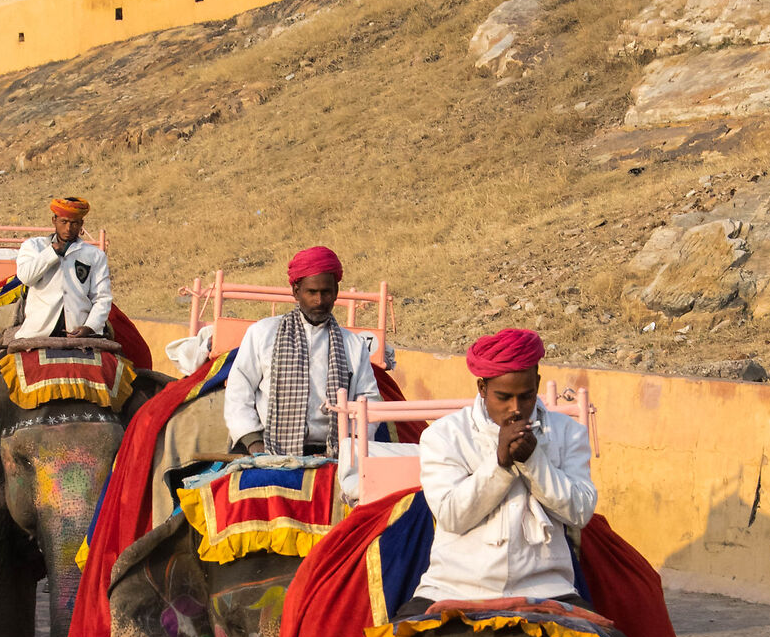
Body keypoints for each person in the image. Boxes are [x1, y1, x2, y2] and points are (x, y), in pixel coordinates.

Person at [411, 327, 596, 604]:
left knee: (607, 635)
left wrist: (533, 461)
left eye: (526, 395)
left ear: (537, 383)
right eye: (504, 397)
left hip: (546, 589)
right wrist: (500, 464)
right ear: (482, 388)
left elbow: (580, 512)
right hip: (453, 587)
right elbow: (451, 516)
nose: (516, 408)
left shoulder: (568, 433)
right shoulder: (444, 435)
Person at [223, 244, 383, 464]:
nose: (319, 301)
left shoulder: (353, 345)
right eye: (312, 292)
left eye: (326, 292)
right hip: (266, 451)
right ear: (296, 292)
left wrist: (350, 447)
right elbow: (238, 390)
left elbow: (369, 400)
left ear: (336, 292)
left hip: (333, 455)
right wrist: (254, 443)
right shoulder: (262, 333)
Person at [15, 196, 112, 337]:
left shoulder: (95, 255)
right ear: (54, 220)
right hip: (38, 330)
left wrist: (90, 327)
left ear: (81, 224)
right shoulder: (34, 246)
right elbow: (26, 277)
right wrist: (51, 253)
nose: (68, 228)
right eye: (64, 222)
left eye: (74, 223)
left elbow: (102, 297)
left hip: (79, 331)